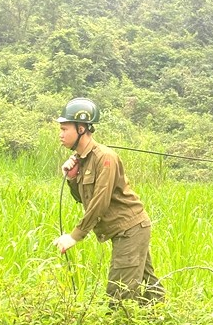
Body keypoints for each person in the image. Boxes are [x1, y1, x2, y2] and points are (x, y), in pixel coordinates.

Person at [52, 97, 164, 304]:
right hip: (124, 230)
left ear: (81, 129)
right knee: (149, 291)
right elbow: (82, 198)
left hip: (130, 229)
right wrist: (72, 177)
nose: (60, 134)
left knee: (119, 294)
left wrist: (75, 236)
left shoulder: (105, 158)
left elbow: (100, 201)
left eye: (64, 128)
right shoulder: (83, 159)